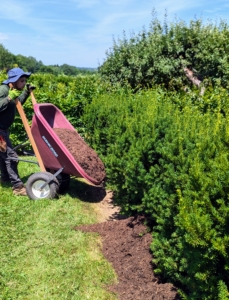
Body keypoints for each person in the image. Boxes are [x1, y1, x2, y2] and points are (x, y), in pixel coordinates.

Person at [0, 67, 35, 196]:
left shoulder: (12, 90)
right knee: (12, 157)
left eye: (25, 80)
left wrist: (26, 92)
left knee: (3, 156)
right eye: (22, 81)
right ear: (13, 80)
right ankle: (18, 187)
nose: (24, 82)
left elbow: (17, 102)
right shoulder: (3, 90)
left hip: (3, 129)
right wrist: (9, 98)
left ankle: (5, 178)